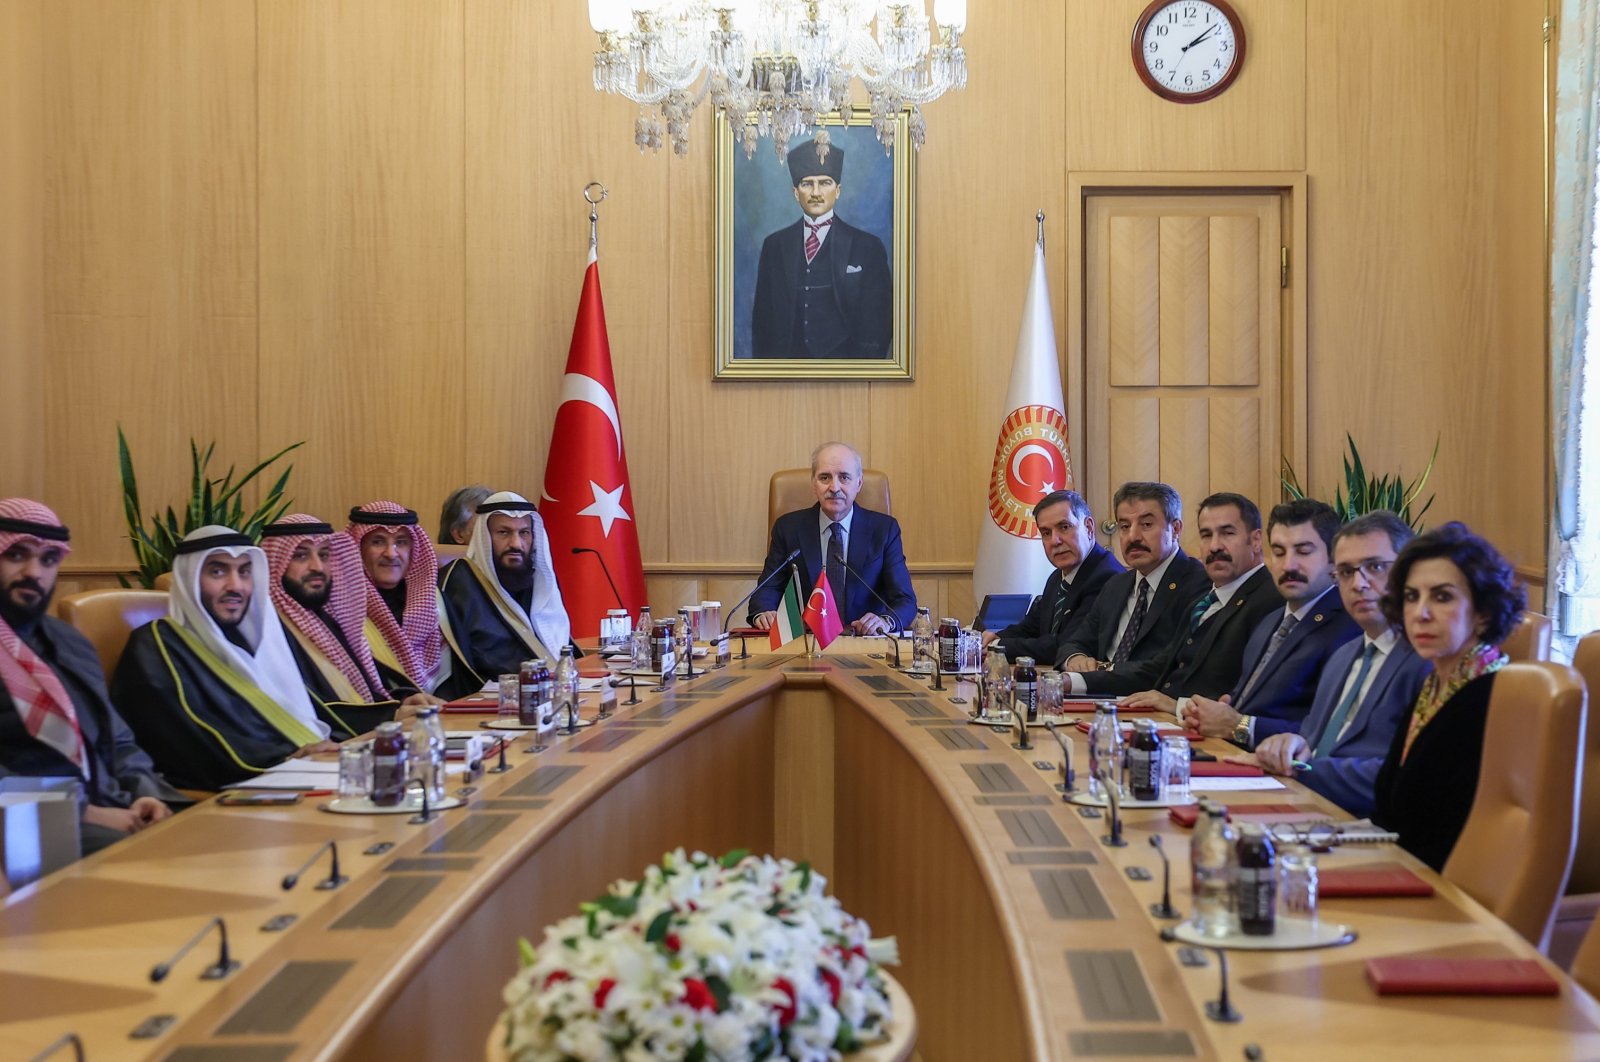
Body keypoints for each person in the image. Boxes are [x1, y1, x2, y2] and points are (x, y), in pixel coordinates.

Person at [0, 499, 186, 854]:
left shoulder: (69, 642)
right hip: (20, 820)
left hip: (106, 806)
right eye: (17, 555)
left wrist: (144, 793)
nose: (34, 573)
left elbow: (117, 741)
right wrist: (84, 812)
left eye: (48, 559)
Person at [112, 526, 344, 791]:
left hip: (294, 776)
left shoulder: (242, 641)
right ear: (189, 579)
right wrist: (284, 758)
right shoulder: (155, 645)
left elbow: (306, 706)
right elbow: (189, 739)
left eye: (244, 572)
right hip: (222, 794)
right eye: (218, 571)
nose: (236, 586)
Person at [1249, 512, 1430, 817]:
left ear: (1408, 571)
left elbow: (1404, 776)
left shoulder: (1426, 663)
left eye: (1375, 567)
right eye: (1346, 572)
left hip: (1372, 830)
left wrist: (1302, 769)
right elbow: (1310, 741)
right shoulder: (1344, 656)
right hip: (1304, 810)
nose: (1359, 583)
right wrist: (1287, 745)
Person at [1372, 522, 1525, 872]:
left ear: (1483, 613)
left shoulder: (1494, 697)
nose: (1421, 613)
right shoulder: (1435, 685)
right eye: (1412, 596)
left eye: (1442, 597)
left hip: (1448, 894)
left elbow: (1459, 832)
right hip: (1400, 868)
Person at [1182, 499, 1360, 748]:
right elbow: (1242, 706)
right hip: (1233, 758)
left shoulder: (1349, 628)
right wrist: (1217, 710)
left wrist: (1239, 725)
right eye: (1278, 552)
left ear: (1334, 560)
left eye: (1304, 551)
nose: (1288, 565)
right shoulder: (1271, 621)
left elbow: (1328, 733)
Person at [262, 515, 435, 731]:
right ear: (275, 563)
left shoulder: (326, 619)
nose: (318, 567)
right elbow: (308, 710)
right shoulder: (269, 631)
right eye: (301, 555)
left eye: (324, 555)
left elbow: (361, 690)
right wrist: (389, 715)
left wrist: (404, 700)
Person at [1114, 492, 1282, 706]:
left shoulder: (1272, 601)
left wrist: (1176, 707)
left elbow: (1250, 694)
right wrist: (1075, 681)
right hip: (1163, 722)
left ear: (1256, 540)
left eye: (1227, 533)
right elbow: (1158, 669)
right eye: (1206, 535)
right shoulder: (1202, 603)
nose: (1214, 546)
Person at [1054, 482, 1209, 691]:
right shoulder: (1117, 584)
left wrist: (1096, 674)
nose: (1133, 537)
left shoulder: (1198, 584)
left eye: (1146, 525)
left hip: (1148, 707)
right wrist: (1075, 658)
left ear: (1175, 529)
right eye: (1125, 526)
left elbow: (1168, 666)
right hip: (1098, 702)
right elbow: (1073, 642)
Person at [748, 442, 916, 635]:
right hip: (806, 644)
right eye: (825, 477)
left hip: (864, 642)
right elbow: (766, 591)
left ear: (859, 483)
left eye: (844, 477)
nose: (834, 487)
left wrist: (885, 621)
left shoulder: (884, 530)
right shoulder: (788, 528)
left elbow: (905, 600)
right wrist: (763, 612)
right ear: (813, 484)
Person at [751, 139, 892, 359]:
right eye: (807, 184)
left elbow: (879, 326)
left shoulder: (868, 248)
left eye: (825, 182)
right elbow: (762, 324)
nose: (816, 192)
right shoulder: (774, 247)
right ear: (796, 193)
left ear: (838, 190)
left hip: (847, 373)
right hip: (786, 374)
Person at [437, 491, 573, 699]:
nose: (516, 544)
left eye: (524, 533)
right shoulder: (460, 581)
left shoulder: (536, 579)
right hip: (488, 703)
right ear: (484, 537)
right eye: (503, 533)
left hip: (544, 695)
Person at [985, 489, 1123, 663]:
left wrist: (998, 646)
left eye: (1064, 527)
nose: (1055, 541)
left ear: (1088, 528)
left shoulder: (1106, 576)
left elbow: (1066, 645)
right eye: (1046, 533)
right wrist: (993, 637)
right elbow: (1030, 627)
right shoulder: (1057, 577)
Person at [348, 501, 450, 695]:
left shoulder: (433, 601)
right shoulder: (344, 607)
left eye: (401, 542)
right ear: (358, 548)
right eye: (377, 542)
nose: (391, 553)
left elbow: (455, 679)